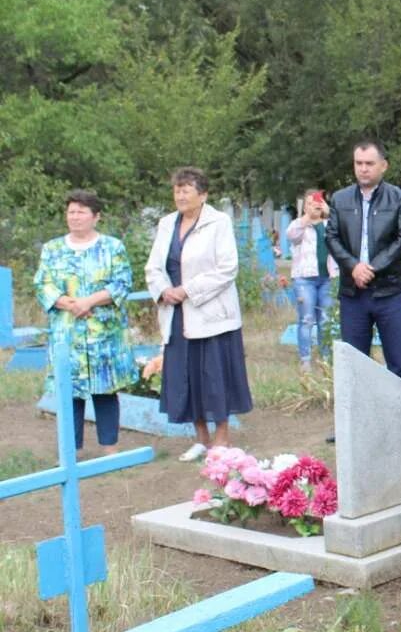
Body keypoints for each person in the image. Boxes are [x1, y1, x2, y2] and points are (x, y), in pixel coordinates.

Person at [145, 167, 252, 462]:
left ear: (202, 195)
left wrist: (187, 290)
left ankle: (222, 438)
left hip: (210, 312)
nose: (180, 195)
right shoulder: (167, 223)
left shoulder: (218, 222)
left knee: (215, 376)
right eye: (177, 190)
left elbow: (227, 267)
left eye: (186, 190)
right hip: (176, 313)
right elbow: (153, 265)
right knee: (185, 375)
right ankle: (201, 438)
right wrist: (164, 290)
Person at [35, 190, 138, 456]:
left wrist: (89, 301)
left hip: (103, 332)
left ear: (96, 216)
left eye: (81, 211)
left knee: (105, 391)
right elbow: (43, 284)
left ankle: (110, 449)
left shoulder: (112, 247)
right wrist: (71, 304)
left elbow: (122, 283)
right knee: (70, 392)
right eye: (71, 211)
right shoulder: (52, 249)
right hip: (66, 332)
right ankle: (72, 452)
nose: (75, 217)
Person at [325, 142, 401, 384]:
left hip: (390, 293)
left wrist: (372, 268)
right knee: (354, 367)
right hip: (353, 295)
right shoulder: (340, 199)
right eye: (358, 163)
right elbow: (332, 238)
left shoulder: (399, 198)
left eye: (369, 164)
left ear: (383, 166)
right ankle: (359, 422)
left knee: (400, 366)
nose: (363, 169)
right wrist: (353, 267)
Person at [286, 190, 337, 370]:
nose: (313, 206)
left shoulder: (329, 224)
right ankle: (305, 359)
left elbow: (344, 232)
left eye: (316, 202)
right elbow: (291, 235)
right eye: (309, 203)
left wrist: (329, 212)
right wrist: (308, 217)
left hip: (327, 279)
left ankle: (325, 358)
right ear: (304, 207)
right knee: (306, 319)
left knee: (325, 320)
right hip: (304, 279)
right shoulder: (298, 225)